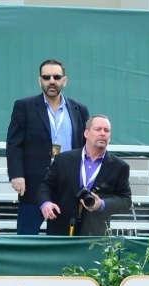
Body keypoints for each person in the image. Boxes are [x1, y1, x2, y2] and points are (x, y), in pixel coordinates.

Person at [7, 58, 89, 236]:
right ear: (40, 81)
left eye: (56, 76)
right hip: (33, 183)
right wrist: (16, 174)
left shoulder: (79, 109)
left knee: (63, 238)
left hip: (68, 183)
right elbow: (14, 143)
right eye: (46, 77)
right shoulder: (25, 107)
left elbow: (85, 147)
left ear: (64, 81)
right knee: (27, 238)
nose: (52, 81)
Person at [39, 114, 131, 237]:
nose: (103, 133)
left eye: (107, 130)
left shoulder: (119, 166)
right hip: (61, 230)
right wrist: (46, 203)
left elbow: (125, 201)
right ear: (86, 133)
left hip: (95, 235)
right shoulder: (63, 160)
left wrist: (102, 204)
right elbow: (45, 186)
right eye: (98, 129)